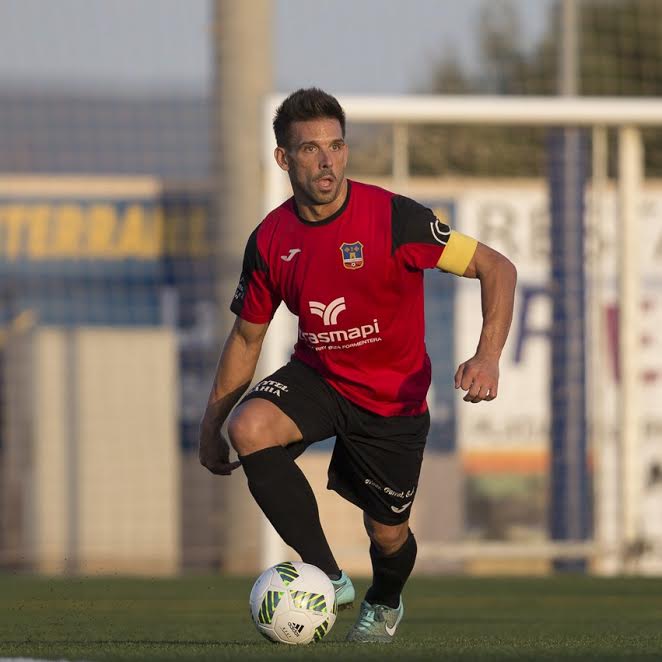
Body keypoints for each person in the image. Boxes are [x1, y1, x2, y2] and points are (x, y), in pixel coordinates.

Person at [199, 87, 517, 643]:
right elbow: (247, 338)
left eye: (336, 146)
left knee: (387, 534)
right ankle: (327, 576)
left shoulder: (394, 218)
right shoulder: (270, 239)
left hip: (392, 400)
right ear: (283, 158)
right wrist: (212, 425)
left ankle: (385, 601)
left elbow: (497, 267)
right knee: (249, 428)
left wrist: (487, 356)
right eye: (310, 149)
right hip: (319, 376)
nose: (327, 161)